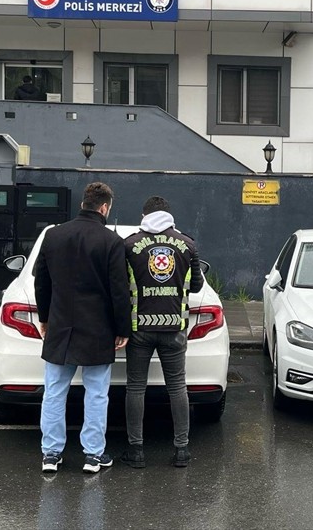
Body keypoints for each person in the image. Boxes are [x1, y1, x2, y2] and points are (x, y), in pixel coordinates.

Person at [35, 182, 132, 474]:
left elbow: (42, 282)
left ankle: (51, 454)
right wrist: (123, 328)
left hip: (60, 325)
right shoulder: (111, 241)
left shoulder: (53, 235)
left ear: (82, 204)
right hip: (97, 328)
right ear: (104, 208)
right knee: (97, 393)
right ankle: (93, 455)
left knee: (54, 391)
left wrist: (44, 317)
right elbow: (119, 291)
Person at [120, 196, 204, 469]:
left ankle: (136, 450)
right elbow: (197, 286)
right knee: (177, 387)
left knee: (136, 387)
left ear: (144, 215)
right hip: (174, 327)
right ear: (169, 215)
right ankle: (182, 450)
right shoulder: (188, 244)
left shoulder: (130, 245)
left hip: (139, 328)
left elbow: (120, 284)